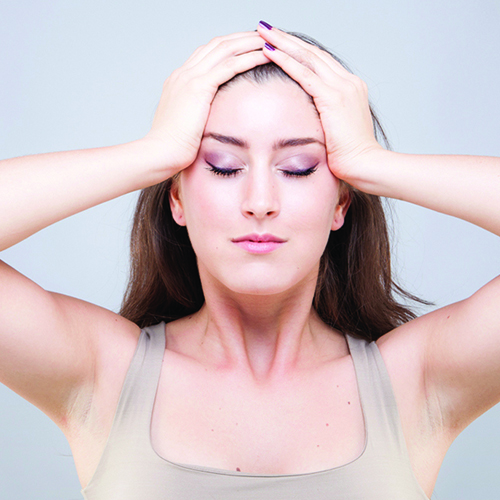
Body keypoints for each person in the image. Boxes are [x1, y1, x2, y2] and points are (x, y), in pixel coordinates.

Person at [0, 20, 499, 499]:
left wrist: (372, 162)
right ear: (176, 199)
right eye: (223, 166)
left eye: (299, 168)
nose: (260, 201)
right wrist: (153, 153)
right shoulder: (100, 372)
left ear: (342, 203)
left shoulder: (417, 382)